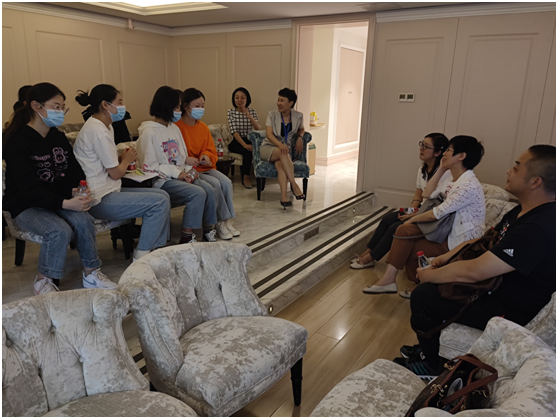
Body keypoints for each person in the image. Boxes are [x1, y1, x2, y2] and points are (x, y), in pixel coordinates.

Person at [395, 145, 556, 380]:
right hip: (495, 285)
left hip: (510, 309)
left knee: (424, 296)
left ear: (535, 182)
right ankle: (429, 349)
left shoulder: (538, 227)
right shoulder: (523, 211)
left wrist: (430, 275)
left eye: (516, 167)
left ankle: (431, 366)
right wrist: (446, 257)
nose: (509, 171)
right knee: (437, 282)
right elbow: (486, 239)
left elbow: (476, 271)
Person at [3, 82, 117, 294]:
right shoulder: (17, 141)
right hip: (26, 204)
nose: (60, 112)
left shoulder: (57, 137)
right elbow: (28, 189)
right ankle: (43, 280)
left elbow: (74, 171)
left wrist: (76, 190)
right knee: (58, 230)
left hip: (58, 199)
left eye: (62, 107)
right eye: (56, 107)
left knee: (84, 220)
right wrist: (65, 203)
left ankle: (92, 273)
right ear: (36, 106)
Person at [363, 135, 486, 295]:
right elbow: (427, 194)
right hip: (444, 230)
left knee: (406, 240)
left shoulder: (468, 186)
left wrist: (412, 219)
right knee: (402, 230)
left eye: (449, 150)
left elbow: (437, 213)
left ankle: (418, 285)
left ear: (461, 156)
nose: (444, 153)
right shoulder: (452, 181)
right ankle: (389, 280)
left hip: (459, 240)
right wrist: (442, 169)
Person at [73, 84, 171, 261]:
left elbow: (105, 161)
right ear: (105, 104)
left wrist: (121, 157)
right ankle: (142, 256)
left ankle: (156, 248)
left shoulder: (105, 126)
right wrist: (125, 160)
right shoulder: (98, 131)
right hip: (99, 198)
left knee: (163, 195)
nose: (122, 106)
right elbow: (116, 173)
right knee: (159, 203)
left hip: (109, 190)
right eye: (119, 102)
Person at [351, 133, 451, 280]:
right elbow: (419, 192)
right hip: (421, 209)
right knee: (387, 219)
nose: (421, 148)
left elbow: (438, 203)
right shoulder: (422, 169)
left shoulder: (445, 174)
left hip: (431, 214)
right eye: (421, 144)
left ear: (437, 152)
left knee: (395, 227)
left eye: (426, 146)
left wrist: (415, 214)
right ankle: (368, 252)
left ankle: (371, 258)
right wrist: (413, 208)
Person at [136, 86, 218, 243]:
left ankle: (208, 230)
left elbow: (182, 157)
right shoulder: (149, 132)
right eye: (177, 107)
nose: (179, 111)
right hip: (162, 180)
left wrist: (189, 170)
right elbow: (149, 167)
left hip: (179, 175)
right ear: (166, 107)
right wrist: (177, 173)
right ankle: (186, 237)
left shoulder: (173, 128)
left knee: (210, 189)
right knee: (197, 193)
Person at [175, 88, 239, 240]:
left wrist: (206, 155)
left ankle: (226, 221)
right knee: (215, 184)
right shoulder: (177, 127)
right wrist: (187, 159)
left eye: (203, 106)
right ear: (186, 106)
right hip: (191, 170)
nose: (201, 109)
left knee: (226, 182)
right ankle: (219, 222)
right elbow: (175, 153)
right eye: (197, 106)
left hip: (206, 167)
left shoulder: (203, 127)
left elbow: (211, 150)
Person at [262, 88, 306, 208]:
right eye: (278, 100)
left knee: (280, 165)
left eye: (282, 100)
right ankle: (294, 185)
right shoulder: (272, 115)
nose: (278, 103)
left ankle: (284, 197)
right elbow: (269, 135)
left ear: (290, 103)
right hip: (269, 147)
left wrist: (300, 138)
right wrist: (280, 145)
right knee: (283, 153)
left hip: (284, 150)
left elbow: (301, 129)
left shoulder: (298, 116)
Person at [227, 87, 261, 189]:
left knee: (257, 149)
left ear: (247, 99)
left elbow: (258, 128)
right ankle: (246, 177)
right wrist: (245, 145)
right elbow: (234, 132)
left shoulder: (252, 111)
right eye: (237, 98)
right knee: (247, 151)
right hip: (236, 141)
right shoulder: (231, 112)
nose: (239, 100)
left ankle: (260, 176)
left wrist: (249, 116)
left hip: (249, 139)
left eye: (242, 98)